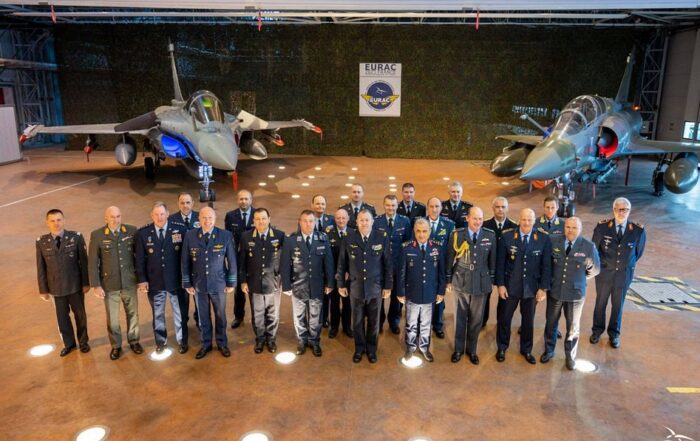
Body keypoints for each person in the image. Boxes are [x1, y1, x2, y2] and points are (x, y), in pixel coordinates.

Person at [541, 217, 600, 370]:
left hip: (575, 294)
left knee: (573, 327)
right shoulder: (553, 241)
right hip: (556, 290)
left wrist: (579, 278)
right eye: (568, 227)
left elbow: (595, 269)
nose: (570, 230)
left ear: (580, 229)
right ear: (564, 228)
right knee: (551, 322)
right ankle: (549, 350)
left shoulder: (588, 246)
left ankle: (570, 356)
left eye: (574, 228)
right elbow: (547, 264)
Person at [495, 208, 551, 364]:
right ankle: (502, 347)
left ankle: (526, 350)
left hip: (531, 288)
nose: (526, 223)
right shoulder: (507, 236)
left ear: (534, 221)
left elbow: (546, 266)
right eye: (524, 219)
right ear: (519, 219)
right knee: (505, 319)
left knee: (528, 321)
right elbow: (500, 263)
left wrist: (543, 288)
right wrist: (500, 285)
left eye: (530, 220)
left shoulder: (543, 238)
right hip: (510, 287)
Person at [337, 210, 392, 363]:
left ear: (372, 221)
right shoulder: (348, 238)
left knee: (374, 322)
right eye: (361, 220)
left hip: (375, 288)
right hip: (356, 288)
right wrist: (341, 284)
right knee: (357, 322)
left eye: (367, 220)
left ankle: (372, 349)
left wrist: (388, 286)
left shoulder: (381, 237)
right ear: (356, 222)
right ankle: (359, 348)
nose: (364, 223)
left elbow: (388, 264)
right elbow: (342, 263)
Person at [182, 207, 237, 359]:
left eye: (210, 217)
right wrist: (187, 283)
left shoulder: (225, 235)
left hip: (219, 284)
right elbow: (185, 261)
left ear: (215, 218)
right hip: (199, 284)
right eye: (204, 218)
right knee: (203, 317)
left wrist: (231, 282)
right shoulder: (190, 235)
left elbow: (232, 260)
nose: (207, 221)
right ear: (199, 219)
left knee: (221, 316)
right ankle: (206, 344)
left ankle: (222, 343)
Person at [591, 197, 646, 348]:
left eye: (625, 210)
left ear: (629, 211)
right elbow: (594, 250)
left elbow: (638, 253)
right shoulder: (602, 227)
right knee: (600, 303)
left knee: (618, 305)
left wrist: (624, 265)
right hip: (604, 274)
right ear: (614, 210)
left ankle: (614, 334)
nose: (622, 213)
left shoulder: (637, 230)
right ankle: (596, 331)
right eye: (619, 209)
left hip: (623, 275)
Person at [89, 206, 142, 361]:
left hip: (129, 282)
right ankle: (116, 345)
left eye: (118, 216)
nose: (115, 220)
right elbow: (93, 262)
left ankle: (134, 341)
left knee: (133, 314)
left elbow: (139, 256)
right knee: (112, 318)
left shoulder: (131, 231)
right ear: (106, 218)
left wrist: (141, 279)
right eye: (112, 217)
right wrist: (96, 285)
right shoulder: (97, 235)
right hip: (109, 284)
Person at [36, 209, 90, 356]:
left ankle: (83, 342)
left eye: (59, 220)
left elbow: (84, 262)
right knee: (62, 318)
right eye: (52, 221)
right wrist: (43, 289)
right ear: (47, 223)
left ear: (64, 220)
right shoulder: (41, 242)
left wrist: (86, 283)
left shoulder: (76, 237)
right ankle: (69, 344)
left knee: (80, 316)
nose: (56, 223)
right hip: (56, 288)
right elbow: (41, 267)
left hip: (75, 285)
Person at [280, 210, 335, 357]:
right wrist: (286, 285)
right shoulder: (291, 240)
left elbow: (329, 263)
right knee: (299, 316)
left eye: (311, 221)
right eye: (305, 221)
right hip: (298, 286)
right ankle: (302, 341)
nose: (308, 224)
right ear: (299, 222)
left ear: (315, 223)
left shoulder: (322, 239)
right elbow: (285, 265)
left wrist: (330, 283)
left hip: (317, 285)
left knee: (316, 316)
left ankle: (314, 341)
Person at [135, 202, 188, 354]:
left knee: (179, 313)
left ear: (168, 214)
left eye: (162, 214)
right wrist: (142, 280)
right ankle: (160, 342)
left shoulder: (180, 229)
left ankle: (182, 340)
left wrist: (186, 279)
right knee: (158, 314)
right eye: (156, 214)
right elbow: (139, 259)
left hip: (176, 281)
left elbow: (185, 257)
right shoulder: (143, 234)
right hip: (155, 282)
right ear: (151, 215)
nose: (160, 217)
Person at [446, 207, 496, 365]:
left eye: (480, 219)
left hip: (481, 283)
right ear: (467, 218)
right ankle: (458, 349)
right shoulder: (457, 235)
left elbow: (492, 260)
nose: (478, 222)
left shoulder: (490, 235)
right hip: (461, 280)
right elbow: (449, 258)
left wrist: (491, 280)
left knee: (476, 320)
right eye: (475, 218)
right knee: (460, 318)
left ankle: (472, 350)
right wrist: (448, 279)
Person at [397, 218, 446, 363]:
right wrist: (400, 292)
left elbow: (441, 272)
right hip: (412, 293)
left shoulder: (437, 248)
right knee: (411, 324)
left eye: (424, 231)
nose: (421, 234)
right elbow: (401, 273)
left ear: (430, 231)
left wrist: (441, 291)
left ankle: (424, 348)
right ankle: (410, 347)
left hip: (430, 293)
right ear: (414, 231)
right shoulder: (406, 248)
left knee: (426, 324)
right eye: (418, 231)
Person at [239, 208, 285, 354]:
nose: (261, 221)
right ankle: (260, 338)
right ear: (253, 221)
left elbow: (284, 261)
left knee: (273, 313)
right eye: (257, 219)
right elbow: (242, 262)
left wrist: (285, 280)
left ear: (269, 219)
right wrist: (243, 281)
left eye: (264, 218)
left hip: (273, 282)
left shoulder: (279, 235)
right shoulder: (246, 237)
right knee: (257, 314)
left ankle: (271, 339)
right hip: (254, 282)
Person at [374, 194, 412, 334]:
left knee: (396, 296)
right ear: (384, 205)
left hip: (398, 265)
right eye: (388, 205)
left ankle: (394, 322)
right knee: (380, 296)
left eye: (393, 205)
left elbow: (408, 242)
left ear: (397, 206)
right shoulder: (376, 221)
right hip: (381, 266)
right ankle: (379, 321)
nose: (391, 208)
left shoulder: (404, 221)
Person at [482, 196, 518, 328]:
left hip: (506, 269)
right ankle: (482, 321)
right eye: (497, 207)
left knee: (504, 298)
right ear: (493, 208)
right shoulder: (485, 225)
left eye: (503, 207)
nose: (500, 209)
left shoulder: (514, 227)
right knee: (484, 297)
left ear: (507, 208)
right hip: (487, 268)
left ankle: (501, 323)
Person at [168, 192, 199, 337]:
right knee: (182, 300)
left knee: (199, 298)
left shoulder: (201, 217)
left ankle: (199, 321)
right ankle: (183, 323)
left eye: (188, 202)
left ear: (193, 203)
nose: (185, 205)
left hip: (198, 266)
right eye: (182, 203)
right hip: (180, 268)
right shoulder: (171, 220)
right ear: (178, 204)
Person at [224, 189, 255, 329]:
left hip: (254, 258)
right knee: (238, 291)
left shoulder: (258, 214)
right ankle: (238, 316)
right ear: (237, 200)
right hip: (237, 258)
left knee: (254, 290)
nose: (244, 201)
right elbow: (228, 238)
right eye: (241, 199)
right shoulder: (230, 216)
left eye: (246, 199)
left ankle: (256, 317)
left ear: (251, 200)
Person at [426, 196, 455, 338]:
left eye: (437, 206)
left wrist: (448, 273)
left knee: (439, 297)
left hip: (440, 268)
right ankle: (424, 324)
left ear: (441, 208)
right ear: (427, 208)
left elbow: (451, 251)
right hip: (424, 266)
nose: (434, 209)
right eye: (431, 206)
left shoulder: (449, 225)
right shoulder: (420, 223)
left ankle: (438, 325)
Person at [326, 208, 353, 338]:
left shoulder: (354, 233)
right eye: (338, 218)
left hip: (349, 276)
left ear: (348, 219)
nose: (341, 220)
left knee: (348, 303)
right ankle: (334, 327)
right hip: (334, 275)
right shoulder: (328, 233)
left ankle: (347, 327)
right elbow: (327, 257)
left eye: (343, 218)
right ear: (334, 219)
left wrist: (349, 272)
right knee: (334, 303)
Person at [311, 194, 335, 328]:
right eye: (317, 203)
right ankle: (315, 318)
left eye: (322, 204)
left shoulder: (331, 220)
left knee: (327, 294)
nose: (320, 206)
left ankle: (325, 318)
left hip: (326, 262)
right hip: (313, 263)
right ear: (312, 205)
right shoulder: (308, 219)